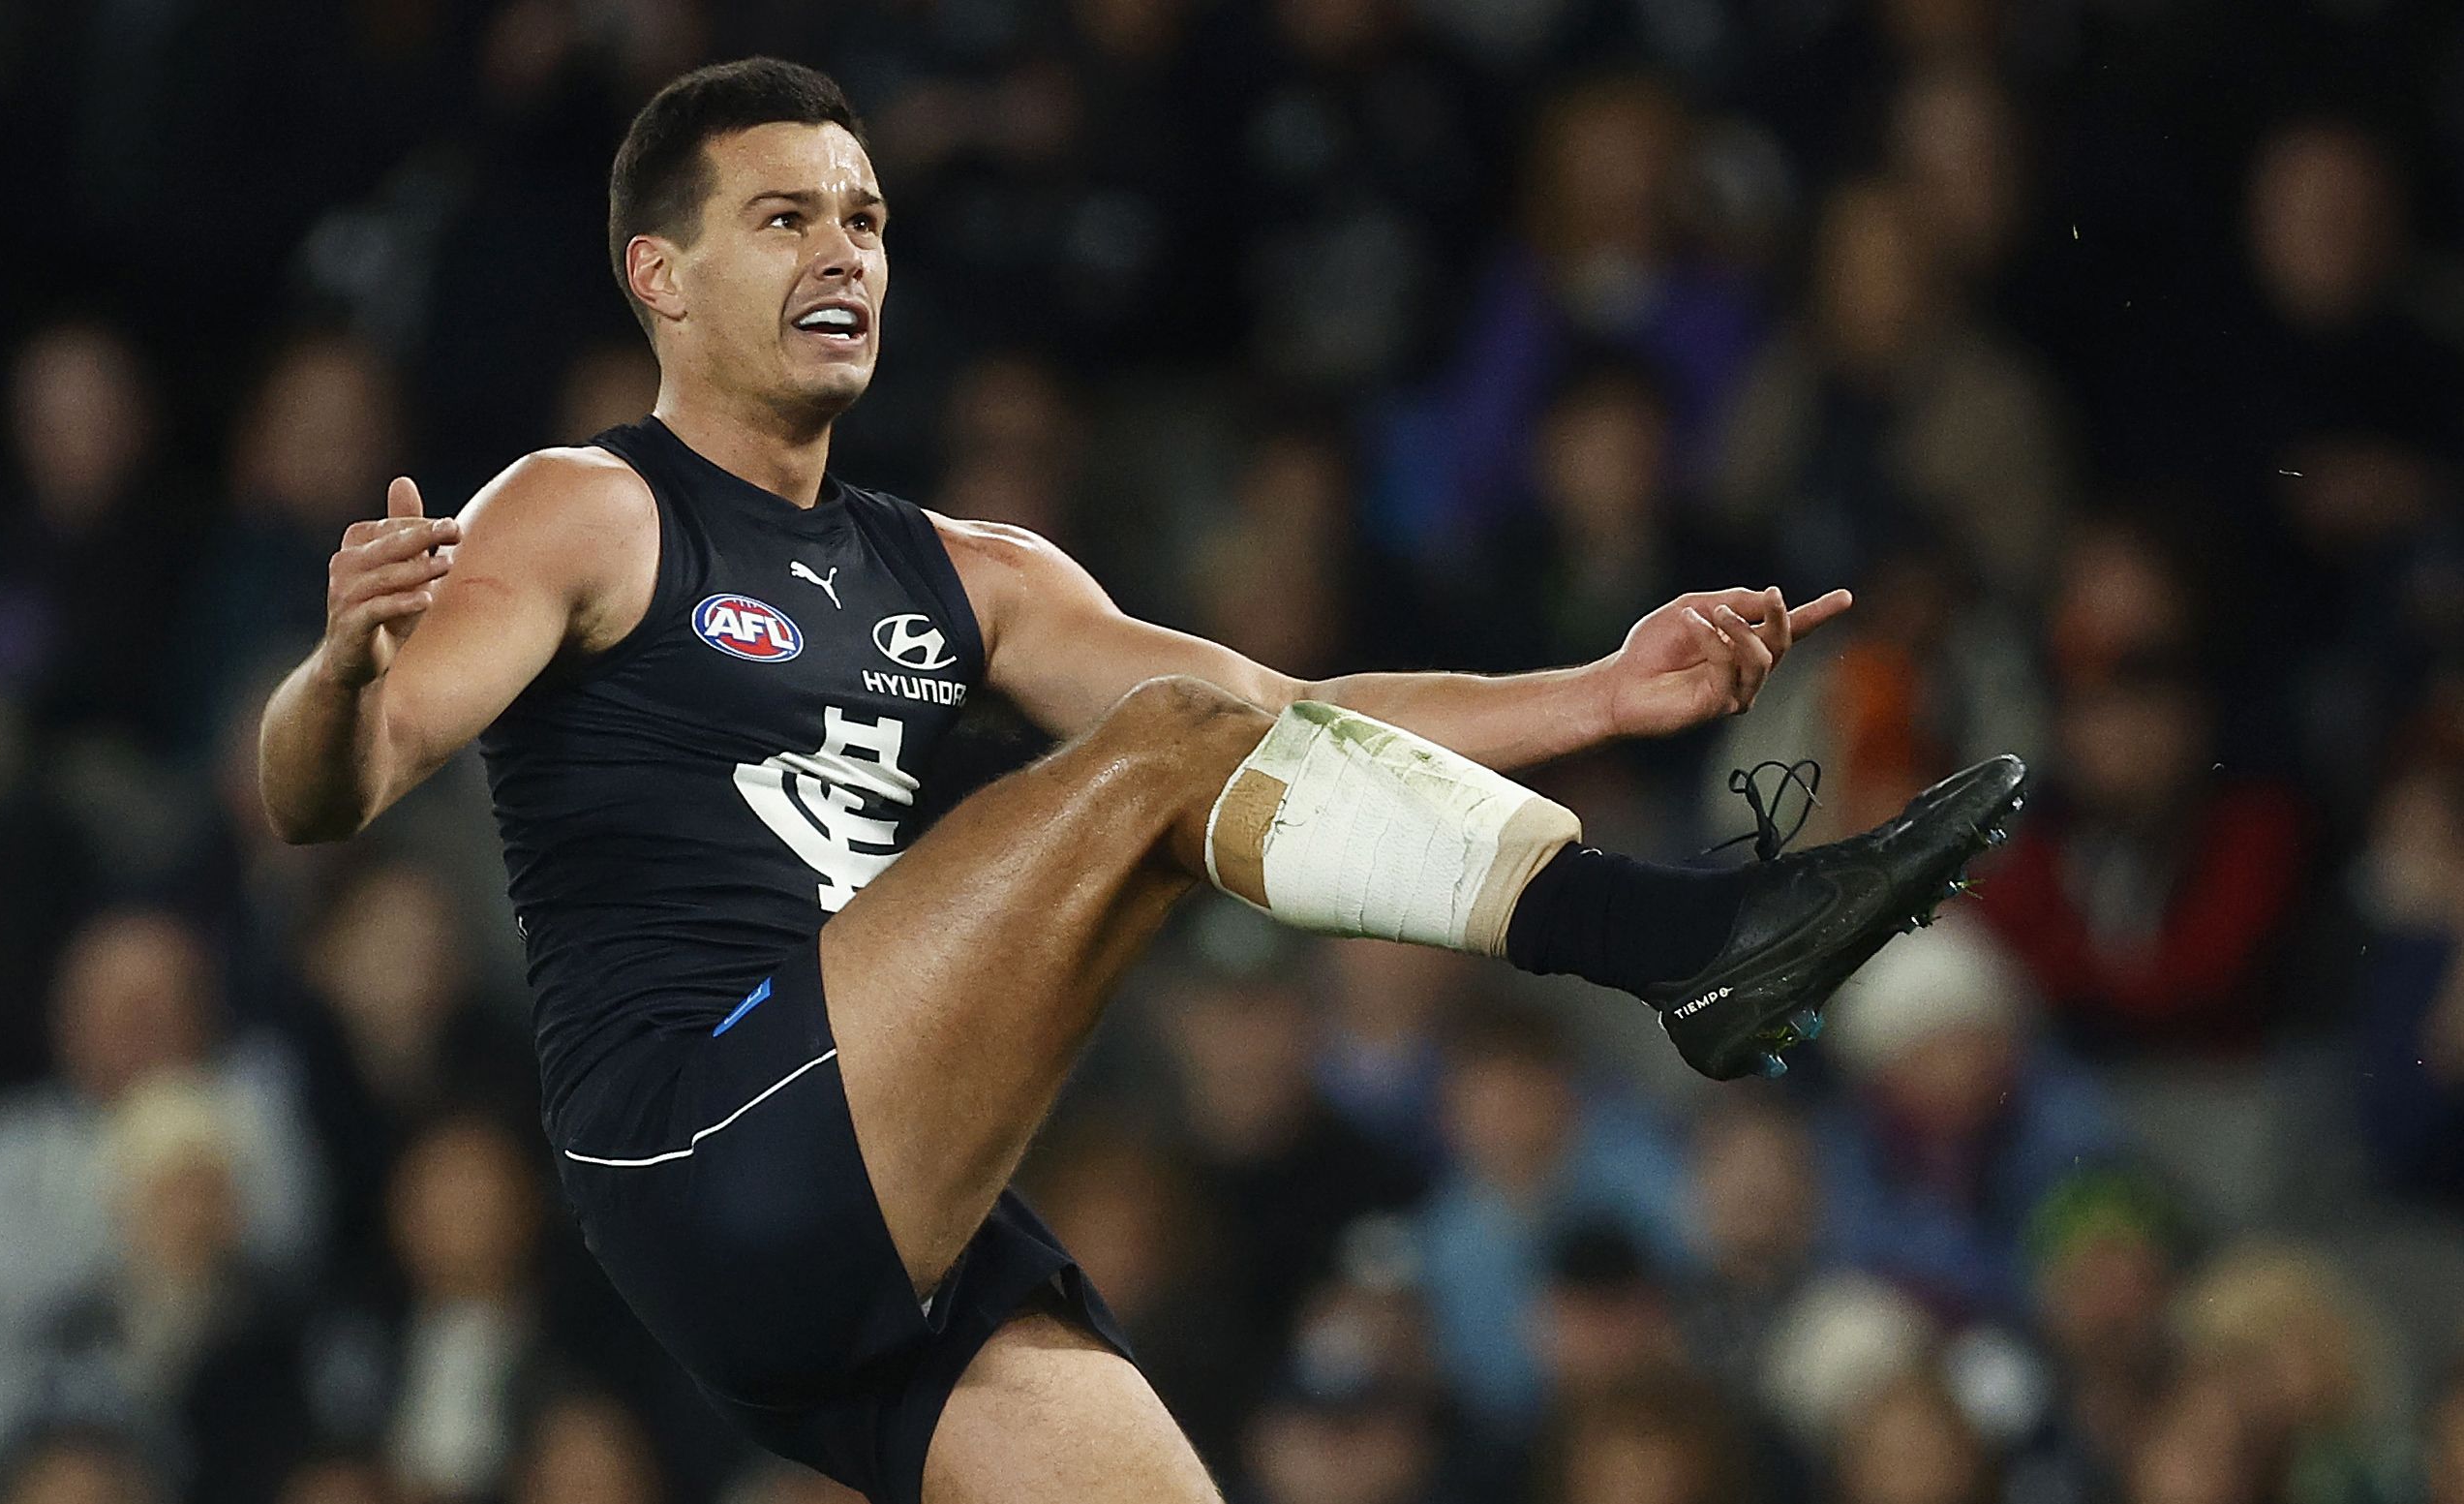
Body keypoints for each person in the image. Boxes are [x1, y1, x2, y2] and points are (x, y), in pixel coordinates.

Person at [256, 57, 2024, 1504]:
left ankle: (1698, 943)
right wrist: (342, 671)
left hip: (888, 1214)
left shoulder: (974, 569)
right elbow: (332, 789)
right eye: (784, 217)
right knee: (1157, 768)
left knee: (1196, 763)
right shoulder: (585, 504)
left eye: (865, 219)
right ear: (660, 274)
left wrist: (1601, 689)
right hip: (702, 1142)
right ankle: (1689, 940)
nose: (843, 254)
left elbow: (1285, 717)